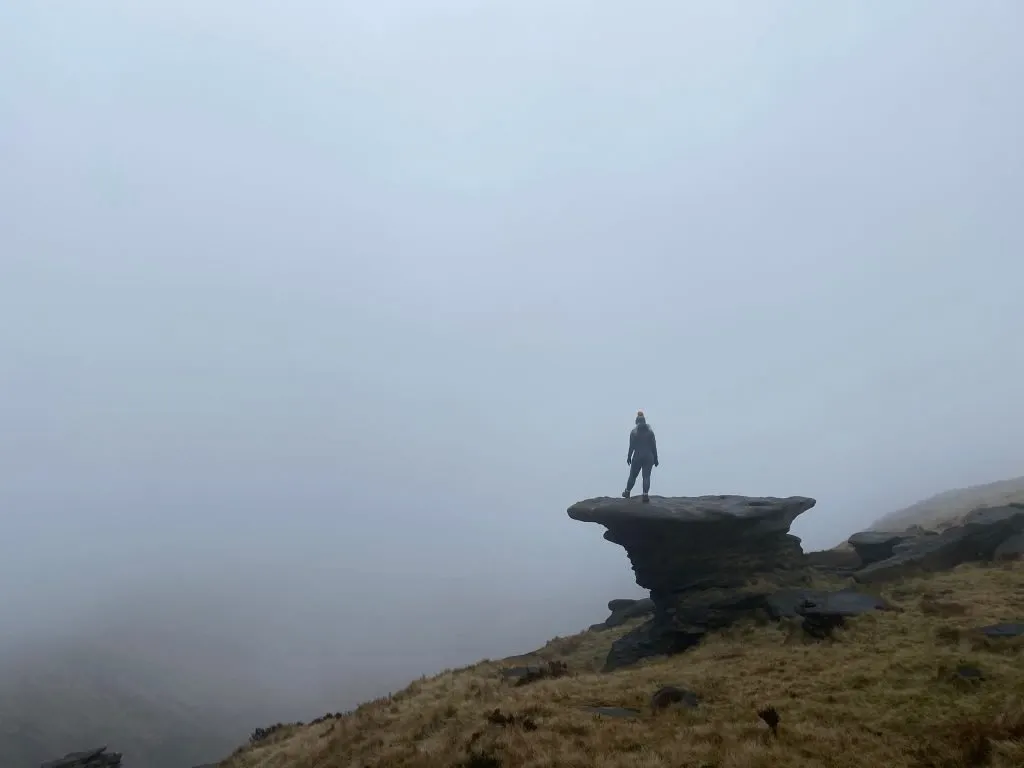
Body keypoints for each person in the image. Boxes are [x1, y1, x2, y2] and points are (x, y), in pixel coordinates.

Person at [623, 410, 658, 502]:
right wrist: (656, 458)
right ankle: (645, 495)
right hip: (649, 457)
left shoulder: (634, 432)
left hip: (637, 456)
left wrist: (629, 457)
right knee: (646, 476)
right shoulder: (650, 432)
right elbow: (654, 446)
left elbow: (631, 447)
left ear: (636, 422)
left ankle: (627, 492)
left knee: (633, 476)